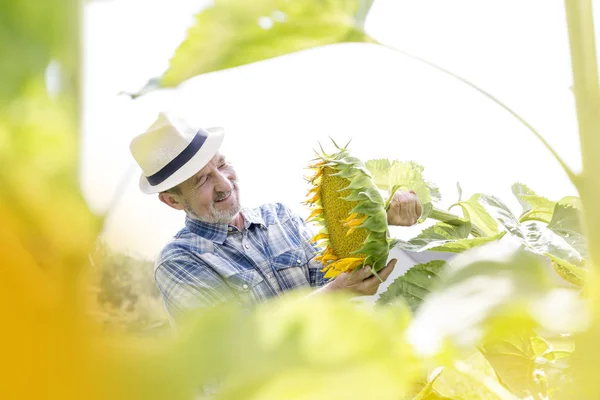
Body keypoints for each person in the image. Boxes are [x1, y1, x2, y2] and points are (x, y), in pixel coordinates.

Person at [130, 112, 422, 322]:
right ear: (172, 201)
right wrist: (333, 293)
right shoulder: (179, 262)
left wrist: (377, 218)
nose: (224, 183)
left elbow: (337, 274)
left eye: (222, 164)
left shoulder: (279, 217)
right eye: (202, 180)